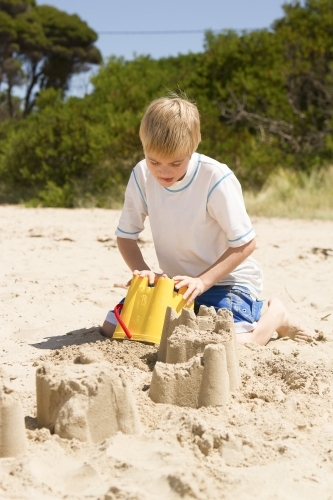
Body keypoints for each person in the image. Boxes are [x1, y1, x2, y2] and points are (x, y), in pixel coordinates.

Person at [101, 95, 310, 345]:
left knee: (236, 346)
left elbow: (245, 244)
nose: (163, 171)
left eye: (175, 163)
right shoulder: (141, 175)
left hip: (226, 280)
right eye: (154, 161)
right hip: (178, 283)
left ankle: (276, 314)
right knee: (112, 328)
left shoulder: (215, 178)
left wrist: (203, 281)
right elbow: (126, 236)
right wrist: (144, 272)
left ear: (193, 147)